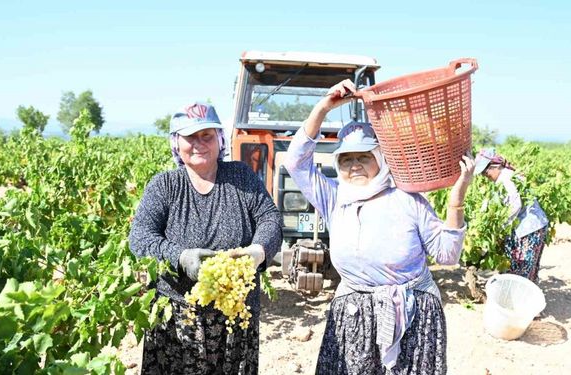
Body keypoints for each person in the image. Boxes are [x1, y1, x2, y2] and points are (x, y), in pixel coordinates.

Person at [283, 80, 475, 375]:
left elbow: (448, 255)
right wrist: (324, 106)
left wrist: (456, 199)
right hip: (354, 318)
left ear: (381, 159)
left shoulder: (407, 199)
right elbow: (295, 162)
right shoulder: (334, 197)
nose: (355, 165)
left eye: (364, 157)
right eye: (347, 159)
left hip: (413, 318)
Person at [129, 102, 282, 375]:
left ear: (220, 140)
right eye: (190, 137)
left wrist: (258, 252)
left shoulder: (241, 177)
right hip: (179, 322)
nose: (199, 144)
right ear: (176, 144)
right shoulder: (164, 186)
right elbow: (140, 238)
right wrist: (181, 257)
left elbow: (270, 219)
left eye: (207, 136)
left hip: (235, 319)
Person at [474, 148, 549, 283]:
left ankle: (521, 301)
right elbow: (493, 199)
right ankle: (522, 299)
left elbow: (515, 205)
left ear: (494, 167)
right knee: (525, 269)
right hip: (531, 227)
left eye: (486, 172)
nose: (486, 176)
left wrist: (501, 227)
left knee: (522, 269)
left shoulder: (506, 178)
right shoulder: (505, 176)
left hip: (529, 229)